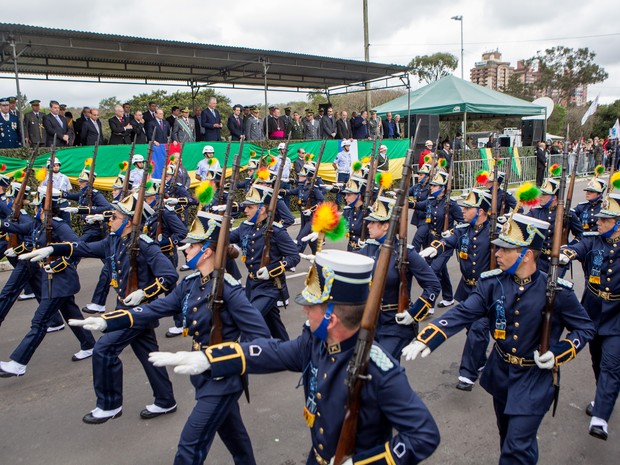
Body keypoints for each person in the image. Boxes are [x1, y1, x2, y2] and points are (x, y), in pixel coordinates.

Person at [149, 248, 441, 465]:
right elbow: (274, 352)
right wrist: (213, 358)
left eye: (311, 305)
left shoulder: (380, 370)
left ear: (332, 317)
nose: (303, 310)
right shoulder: (315, 341)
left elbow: (424, 435)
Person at [71, 211, 270, 465]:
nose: (185, 249)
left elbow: (261, 340)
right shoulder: (191, 284)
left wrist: (222, 360)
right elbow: (156, 309)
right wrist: (108, 321)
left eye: (192, 245)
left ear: (207, 251)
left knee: (189, 447)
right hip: (201, 378)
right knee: (236, 440)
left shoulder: (230, 291)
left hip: (222, 380)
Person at [404, 213, 595, 465]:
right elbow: (464, 311)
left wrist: (560, 351)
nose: (497, 254)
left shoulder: (557, 291)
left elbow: (585, 329)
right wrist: (428, 337)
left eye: (505, 249)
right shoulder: (492, 283)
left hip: (534, 379)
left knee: (515, 449)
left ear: (526, 254)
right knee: (509, 438)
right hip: (501, 372)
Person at [19, 193, 179, 423]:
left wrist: (145, 293)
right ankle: (166, 400)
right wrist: (54, 250)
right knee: (148, 355)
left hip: (138, 312)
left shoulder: (145, 245)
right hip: (122, 307)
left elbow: (169, 275)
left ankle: (110, 405)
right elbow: (83, 247)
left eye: (114, 217)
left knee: (104, 348)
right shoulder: (113, 241)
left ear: (129, 221)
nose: (109, 220)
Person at [0, 188, 96, 377]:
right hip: (51, 279)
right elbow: (18, 228)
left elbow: (78, 247)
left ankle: (19, 363)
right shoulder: (40, 223)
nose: (37, 210)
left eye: (40, 207)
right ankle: (90, 344)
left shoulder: (58, 226)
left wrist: (62, 263)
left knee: (40, 321)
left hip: (60, 280)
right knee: (71, 314)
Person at [419, 189, 493, 391]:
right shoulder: (464, 230)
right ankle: (482, 359)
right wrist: (435, 248)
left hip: (486, 291)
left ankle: (467, 375)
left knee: (478, 328)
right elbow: (448, 240)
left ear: (481, 211)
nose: (463, 210)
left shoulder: (495, 231)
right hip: (468, 287)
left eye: (468, 208)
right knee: (473, 329)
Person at [560, 192, 620, 440]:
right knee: (597, 359)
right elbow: (579, 246)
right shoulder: (594, 241)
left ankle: (600, 418)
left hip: (617, 316)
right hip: (593, 311)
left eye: (605, 220)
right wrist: (567, 253)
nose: (598, 222)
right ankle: (604, 393)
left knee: (611, 364)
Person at [358, 196, 440, 359]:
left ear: (386, 225)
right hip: (372, 321)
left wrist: (414, 313)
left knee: (382, 367)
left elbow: (433, 286)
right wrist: (324, 260)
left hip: (396, 324)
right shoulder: (371, 249)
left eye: (374, 222)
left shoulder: (406, 253)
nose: (369, 225)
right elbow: (352, 260)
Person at [228, 184, 300, 341]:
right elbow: (226, 237)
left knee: (249, 322)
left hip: (269, 287)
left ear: (261, 209)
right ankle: (288, 352)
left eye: (250, 207)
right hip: (252, 285)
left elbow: (294, 257)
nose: (245, 210)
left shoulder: (276, 231)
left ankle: (242, 359)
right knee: (273, 323)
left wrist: (271, 270)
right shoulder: (245, 227)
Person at [411, 171, 464, 311]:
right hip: (432, 241)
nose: (432, 188)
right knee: (442, 270)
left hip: (446, 244)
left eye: (435, 186)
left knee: (434, 270)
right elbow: (417, 205)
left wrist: (451, 231)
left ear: (442, 188)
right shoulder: (430, 201)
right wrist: (402, 199)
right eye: (432, 185)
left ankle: (429, 305)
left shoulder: (451, 205)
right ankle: (448, 297)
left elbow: (463, 222)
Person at [527, 177, 582, 274]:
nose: (540, 197)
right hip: (540, 259)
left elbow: (580, 235)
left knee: (554, 286)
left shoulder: (567, 213)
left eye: (544, 195)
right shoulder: (535, 212)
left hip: (559, 260)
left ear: (554, 197)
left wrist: (568, 248)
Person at [342, 177, 366, 251]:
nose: (345, 197)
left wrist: (368, 241)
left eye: (349, 195)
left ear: (359, 196)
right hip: (350, 248)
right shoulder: (348, 211)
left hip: (363, 251)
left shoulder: (368, 213)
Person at [332, 140, 352, 205]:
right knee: (340, 189)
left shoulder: (349, 154)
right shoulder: (340, 154)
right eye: (347, 146)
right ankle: (338, 204)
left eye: (349, 146)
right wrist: (337, 169)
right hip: (341, 173)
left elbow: (350, 163)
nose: (348, 147)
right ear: (344, 147)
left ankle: (347, 203)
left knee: (347, 188)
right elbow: (334, 163)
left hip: (347, 173)